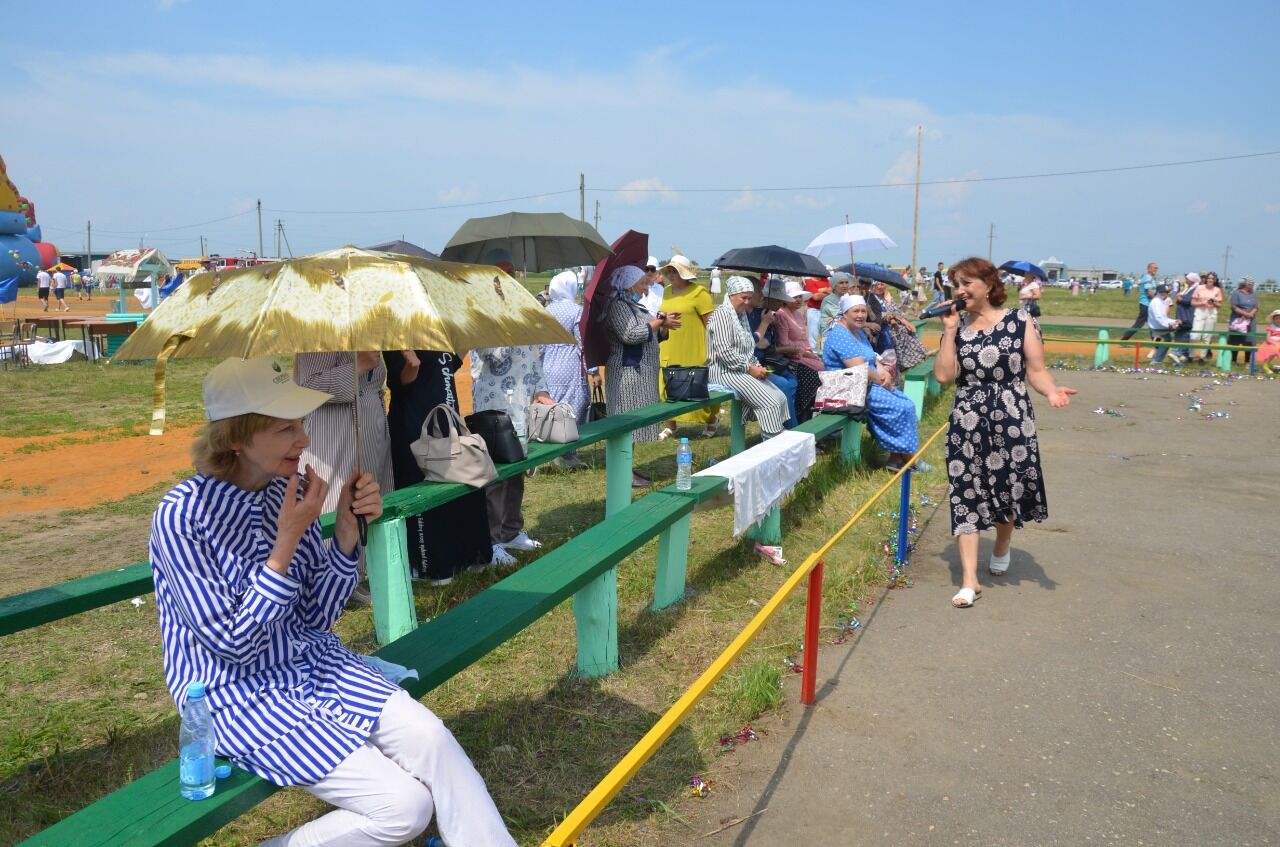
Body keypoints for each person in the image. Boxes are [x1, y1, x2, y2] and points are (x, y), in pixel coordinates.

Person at [149, 357, 516, 847]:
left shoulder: (287, 490)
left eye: (301, 423)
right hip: (241, 696)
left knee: (432, 741)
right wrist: (286, 543)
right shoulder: (182, 516)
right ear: (234, 438)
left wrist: (345, 535)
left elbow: (316, 618)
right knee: (405, 808)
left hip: (314, 666)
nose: (303, 440)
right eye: (285, 429)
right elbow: (233, 645)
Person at [933, 257, 1076, 609]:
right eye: (956, 284)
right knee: (965, 491)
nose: (961, 290)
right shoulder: (957, 328)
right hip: (967, 418)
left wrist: (1052, 390)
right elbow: (944, 376)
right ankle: (970, 581)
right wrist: (950, 331)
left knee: (1007, 489)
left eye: (967, 283)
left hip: (1011, 416)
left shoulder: (1020, 321)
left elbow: (1037, 370)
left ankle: (1001, 543)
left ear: (988, 284)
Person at [385, 349, 499, 583]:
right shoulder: (400, 335)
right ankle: (433, 565)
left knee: (463, 485)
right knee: (423, 490)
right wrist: (412, 365)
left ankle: (468, 556)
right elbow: (398, 382)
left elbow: (450, 364)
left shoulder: (436, 330)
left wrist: (465, 337)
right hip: (414, 424)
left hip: (446, 422)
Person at [471, 343, 553, 554]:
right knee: (495, 476)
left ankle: (511, 531)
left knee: (517, 470)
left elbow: (532, 358)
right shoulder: (486, 317)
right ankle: (492, 540)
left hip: (520, 403)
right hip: (493, 403)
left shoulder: (520, 320)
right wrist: (510, 330)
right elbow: (493, 354)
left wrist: (541, 389)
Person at [602, 264, 679, 486]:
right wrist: (659, 322)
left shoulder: (630, 304)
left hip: (638, 374)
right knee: (625, 425)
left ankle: (626, 470)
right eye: (642, 283)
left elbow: (649, 333)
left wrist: (662, 325)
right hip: (627, 374)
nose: (646, 287)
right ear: (628, 284)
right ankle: (622, 474)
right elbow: (631, 334)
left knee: (632, 427)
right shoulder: (618, 305)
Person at [822, 293, 919, 468]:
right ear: (844, 313)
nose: (860, 315)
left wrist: (884, 372)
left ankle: (896, 458)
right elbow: (860, 368)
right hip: (848, 388)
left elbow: (872, 359)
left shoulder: (857, 331)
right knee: (901, 408)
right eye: (855, 311)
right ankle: (912, 459)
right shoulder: (839, 335)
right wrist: (882, 378)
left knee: (907, 404)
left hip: (866, 384)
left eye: (863, 311)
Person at [295, 352, 395, 515]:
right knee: (336, 512)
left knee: (371, 510)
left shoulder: (362, 329)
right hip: (336, 440)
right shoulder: (326, 329)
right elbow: (307, 385)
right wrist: (358, 366)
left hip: (371, 440)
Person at [706, 276, 791, 439]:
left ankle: (777, 437)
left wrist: (758, 366)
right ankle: (771, 442)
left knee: (780, 396)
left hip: (741, 369)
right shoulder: (722, 314)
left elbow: (748, 347)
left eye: (749, 298)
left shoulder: (740, 315)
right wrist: (749, 368)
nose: (746, 302)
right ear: (731, 295)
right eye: (743, 298)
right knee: (770, 402)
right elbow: (724, 351)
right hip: (723, 372)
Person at [658, 255, 719, 438]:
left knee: (696, 385)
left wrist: (713, 347)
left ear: (684, 273)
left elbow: (711, 324)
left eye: (674, 271)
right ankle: (670, 424)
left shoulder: (699, 293)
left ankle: (711, 420)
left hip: (693, 346)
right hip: (669, 344)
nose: (671, 274)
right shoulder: (666, 291)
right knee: (666, 383)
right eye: (669, 270)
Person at [541, 270, 591, 464]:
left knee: (552, 407)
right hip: (570, 364)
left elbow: (541, 343)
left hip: (548, 364)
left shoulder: (546, 311)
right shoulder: (577, 310)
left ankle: (551, 451)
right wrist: (592, 371)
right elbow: (582, 342)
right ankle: (567, 453)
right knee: (573, 408)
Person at [769, 278, 824, 424]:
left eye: (800, 296)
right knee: (814, 375)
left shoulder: (799, 314)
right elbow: (784, 344)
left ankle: (814, 415)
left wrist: (810, 352)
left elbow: (804, 340)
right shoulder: (781, 315)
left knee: (824, 369)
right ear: (785, 300)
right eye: (794, 297)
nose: (799, 300)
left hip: (802, 354)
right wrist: (804, 353)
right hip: (791, 358)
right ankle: (802, 414)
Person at [747, 277, 798, 427]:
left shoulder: (770, 314)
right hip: (757, 364)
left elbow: (765, 343)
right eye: (777, 301)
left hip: (769, 361)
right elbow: (759, 343)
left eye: (782, 302)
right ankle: (792, 431)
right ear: (767, 298)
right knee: (785, 385)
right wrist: (766, 323)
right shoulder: (758, 315)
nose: (780, 305)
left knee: (793, 381)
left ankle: (785, 423)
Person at [870, 279, 928, 376]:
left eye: (882, 284)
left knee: (907, 329)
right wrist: (892, 319)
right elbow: (878, 315)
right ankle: (901, 363)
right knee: (897, 332)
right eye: (877, 285)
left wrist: (905, 322)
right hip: (880, 325)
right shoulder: (872, 298)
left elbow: (896, 311)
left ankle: (916, 356)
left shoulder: (886, 297)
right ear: (873, 286)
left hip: (892, 322)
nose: (880, 287)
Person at [1120, 262, 1159, 342]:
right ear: (1149, 269)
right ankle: (1124, 339)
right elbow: (1149, 292)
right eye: (1154, 268)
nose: (1156, 269)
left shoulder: (1151, 278)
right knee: (1140, 324)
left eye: (1157, 268)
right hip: (1146, 305)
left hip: (1149, 304)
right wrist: (1157, 301)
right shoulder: (1148, 278)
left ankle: (1155, 342)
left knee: (1153, 323)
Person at [1191, 271, 1224, 362]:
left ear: (1215, 280)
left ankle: (1202, 357)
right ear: (1206, 279)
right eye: (1209, 278)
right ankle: (1191, 355)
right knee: (1195, 335)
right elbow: (1193, 302)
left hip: (1211, 312)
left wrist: (1214, 302)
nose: (1210, 280)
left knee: (1207, 336)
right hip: (1200, 311)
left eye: (1212, 279)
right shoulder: (1199, 288)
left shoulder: (1217, 290)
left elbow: (1219, 305)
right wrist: (1202, 302)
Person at [1227, 278, 1259, 366]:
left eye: (1252, 284)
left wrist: (1251, 314)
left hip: (1250, 321)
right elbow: (1234, 306)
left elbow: (1256, 306)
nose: (1252, 286)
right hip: (1238, 320)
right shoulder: (1236, 293)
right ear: (1245, 285)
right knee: (1235, 340)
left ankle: (1247, 361)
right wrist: (1245, 314)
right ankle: (1233, 360)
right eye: (1250, 284)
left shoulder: (1253, 294)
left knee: (1249, 340)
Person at [1146, 283, 1181, 364]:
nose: (1165, 293)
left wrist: (1173, 321)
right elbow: (1159, 318)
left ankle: (1158, 359)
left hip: (1158, 325)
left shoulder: (1160, 301)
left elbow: (1163, 317)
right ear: (1159, 292)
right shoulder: (1157, 302)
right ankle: (1172, 354)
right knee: (1169, 338)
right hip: (1157, 327)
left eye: (1166, 292)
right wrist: (1169, 326)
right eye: (1163, 292)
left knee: (1168, 338)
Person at [818, 272, 854, 347]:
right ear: (834, 285)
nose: (845, 285)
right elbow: (848, 317)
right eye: (841, 283)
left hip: (840, 335)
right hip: (827, 337)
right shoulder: (829, 299)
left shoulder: (843, 298)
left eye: (846, 282)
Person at [1172, 273, 1201, 363]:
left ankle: (1183, 354)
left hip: (1187, 314)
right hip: (1181, 313)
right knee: (1179, 332)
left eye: (1187, 278)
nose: (1186, 280)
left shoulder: (1196, 289)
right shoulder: (1187, 288)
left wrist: (1181, 299)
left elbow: (1191, 300)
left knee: (1185, 333)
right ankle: (1177, 353)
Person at [802, 274, 831, 349]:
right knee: (814, 333)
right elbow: (815, 297)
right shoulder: (809, 281)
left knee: (822, 333)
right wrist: (825, 290)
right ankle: (815, 351)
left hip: (825, 310)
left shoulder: (825, 279)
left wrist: (820, 290)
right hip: (814, 310)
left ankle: (820, 350)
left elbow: (831, 291)